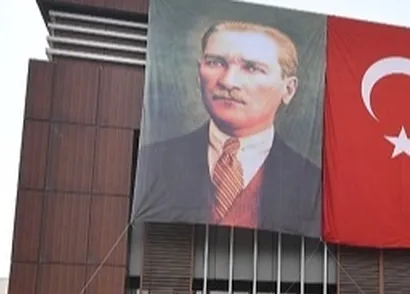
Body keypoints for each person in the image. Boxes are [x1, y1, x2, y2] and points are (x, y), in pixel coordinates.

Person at [132, 20, 322, 238]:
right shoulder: (153, 162)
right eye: (215, 63)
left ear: (288, 89)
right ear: (199, 73)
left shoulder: (314, 185)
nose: (228, 82)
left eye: (252, 68)